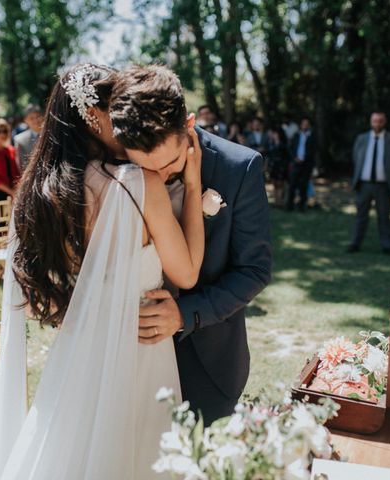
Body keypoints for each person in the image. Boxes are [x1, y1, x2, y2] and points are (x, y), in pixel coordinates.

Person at [0, 64, 205, 479]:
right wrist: (192, 187)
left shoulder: (38, 192)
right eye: (115, 109)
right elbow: (188, 273)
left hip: (78, 351)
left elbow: (36, 299)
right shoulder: (137, 184)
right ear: (93, 115)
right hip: (142, 346)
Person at [110, 66, 271, 426]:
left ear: (189, 125)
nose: (161, 178)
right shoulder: (114, 167)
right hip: (130, 358)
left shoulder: (239, 168)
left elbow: (254, 271)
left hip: (207, 362)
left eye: (169, 164)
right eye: (147, 168)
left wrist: (185, 314)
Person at [347, 111, 390, 254]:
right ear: (371, 122)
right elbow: (355, 158)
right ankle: (355, 243)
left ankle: (387, 245)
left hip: (383, 185)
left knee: (384, 217)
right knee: (361, 216)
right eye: (374, 121)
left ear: (384, 122)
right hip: (364, 184)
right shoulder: (362, 139)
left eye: (380, 121)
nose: (377, 124)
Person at [287, 116, 316, 211]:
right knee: (292, 184)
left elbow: (313, 151)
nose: (305, 126)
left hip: (306, 164)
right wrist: (295, 158)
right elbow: (291, 148)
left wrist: (304, 158)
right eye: (303, 124)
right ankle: (289, 206)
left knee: (304, 185)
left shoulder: (312, 136)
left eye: (307, 124)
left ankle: (301, 206)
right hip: (296, 163)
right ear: (301, 125)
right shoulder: (296, 135)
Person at [13, 104, 43, 174]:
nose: (36, 120)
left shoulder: (52, 135)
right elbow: (22, 166)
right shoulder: (20, 140)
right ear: (26, 120)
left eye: (38, 116)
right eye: (31, 118)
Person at [267, 126, 291, 207]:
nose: (273, 135)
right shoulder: (271, 144)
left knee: (280, 185)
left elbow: (287, 157)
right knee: (274, 184)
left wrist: (284, 166)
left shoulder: (283, 145)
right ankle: (276, 201)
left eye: (275, 133)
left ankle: (280, 202)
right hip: (273, 166)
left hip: (281, 167)